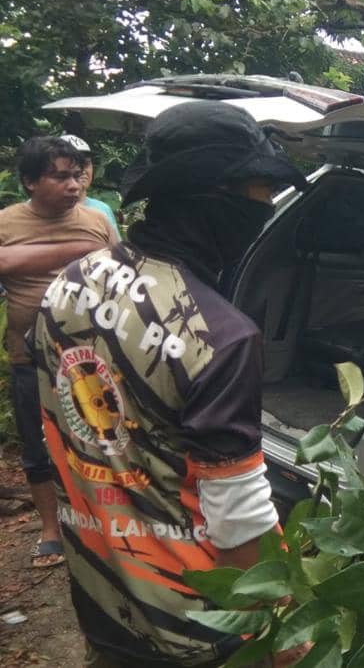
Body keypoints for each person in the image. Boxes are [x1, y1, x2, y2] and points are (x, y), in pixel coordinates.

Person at [32, 101, 310, 666]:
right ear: (216, 199)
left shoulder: (68, 284)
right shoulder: (219, 336)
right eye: (260, 191)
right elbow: (238, 521)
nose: (266, 207)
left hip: (101, 597)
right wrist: (283, 627)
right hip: (197, 625)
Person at [0, 137, 118, 569]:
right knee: (38, 447)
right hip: (29, 359)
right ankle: (51, 530)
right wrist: (77, 252)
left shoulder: (97, 220)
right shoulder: (6, 223)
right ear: (31, 181)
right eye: (60, 176)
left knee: (102, 442)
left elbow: (121, 274)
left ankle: (102, 524)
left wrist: (20, 260)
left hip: (92, 357)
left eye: (77, 175)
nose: (74, 185)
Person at [61, 134, 121, 235]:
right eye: (73, 164)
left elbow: (115, 244)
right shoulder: (39, 210)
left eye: (86, 163)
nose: (82, 170)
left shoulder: (102, 209)